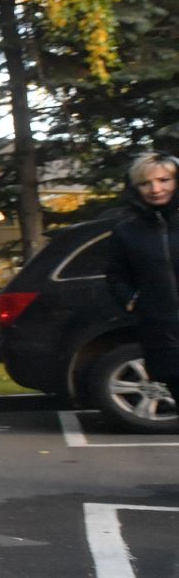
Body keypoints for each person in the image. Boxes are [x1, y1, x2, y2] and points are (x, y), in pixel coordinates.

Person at [103, 151, 179, 399]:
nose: (155, 189)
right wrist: (133, 302)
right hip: (164, 336)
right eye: (145, 183)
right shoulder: (127, 231)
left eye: (164, 180)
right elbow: (115, 275)